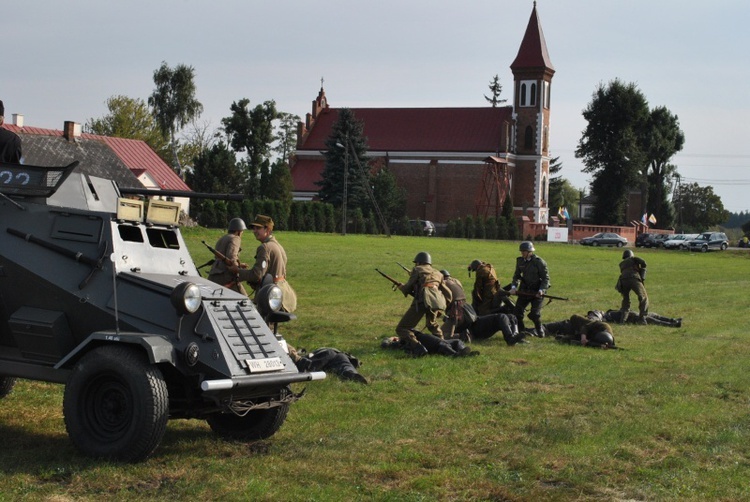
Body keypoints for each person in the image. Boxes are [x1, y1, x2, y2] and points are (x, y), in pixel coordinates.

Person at [394, 251, 452, 357]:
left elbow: (407, 288)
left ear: (419, 262)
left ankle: (418, 348)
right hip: (435, 300)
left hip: (421, 301)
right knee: (432, 325)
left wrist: (400, 286)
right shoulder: (438, 273)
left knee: (402, 328)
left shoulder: (417, 269)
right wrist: (442, 307)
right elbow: (448, 293)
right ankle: (445, 346)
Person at [237, 214, 297, 313]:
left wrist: (237, 272)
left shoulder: (265, 247)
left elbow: (256, 275)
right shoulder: (277, 245)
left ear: (267, 229)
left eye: (258, 228)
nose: (254, 231)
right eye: (254, 228)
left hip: (270, 295)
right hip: (280, 293)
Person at [510, 241, 551, 337]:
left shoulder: (539, 262)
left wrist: (541, 290)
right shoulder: (520, 261)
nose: (522, 253)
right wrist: (513, 287)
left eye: (524, 251)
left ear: (530, 252)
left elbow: (546, 279)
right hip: (524, 290)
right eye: (521, 251)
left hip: (537, 290)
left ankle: (539, 329)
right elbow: (516, 276)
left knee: (535, 314)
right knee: (517, 313)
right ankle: (522, 331)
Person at [207, 217, 248, 295]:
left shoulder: (223, 238)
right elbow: (232, 257)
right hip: (226, 276)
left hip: (214, 273)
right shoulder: (235, 238)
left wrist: (240, 264)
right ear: (238, 231)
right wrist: (237, 268)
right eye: (242, 231)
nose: (242, 233)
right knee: (245, 300)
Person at [289, 346, 368, 384]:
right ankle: (349, 372)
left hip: (333, 355)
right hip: (333, 355)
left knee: (340, 358)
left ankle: (349, 373)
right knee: (339, 359)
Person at [381, 329, 478, 357]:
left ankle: (463, 351)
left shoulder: (411, 334)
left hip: (443, 342)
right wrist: (391, 339)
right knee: (443, 345)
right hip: (438, 346)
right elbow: (385, 344)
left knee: (457, 341)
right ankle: (456, 355)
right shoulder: (405, 343)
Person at [545, 314, 617, 349]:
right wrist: (583, 337)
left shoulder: (609, 338)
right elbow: (585, 327)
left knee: (568, 339)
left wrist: (601, 346)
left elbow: (612, 344)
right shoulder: (601, 324)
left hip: (589, 335)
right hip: (584, 328)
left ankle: (561, 337)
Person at [617, 249, 648, 324]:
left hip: (623, 280)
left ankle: (623, 320)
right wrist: (641, 269)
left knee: (626, 301)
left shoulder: (621, 264)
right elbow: (644, 263)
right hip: (633, 277)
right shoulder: (633, 259)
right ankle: (642, 318)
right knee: (643, 297)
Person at [440, 269, 472, 340]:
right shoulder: (456, 281)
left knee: (440, 335)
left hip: (454, 311)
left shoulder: (443, 283)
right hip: (464, 311)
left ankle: (462, 336)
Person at [587, 309, 682, 328]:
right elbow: (594, 319)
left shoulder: (609, 312)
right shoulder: (603, 316)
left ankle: (672, 320)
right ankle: (672, 325)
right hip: (630, 317)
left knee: (654, 315)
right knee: (651, 320)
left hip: (631, 313)